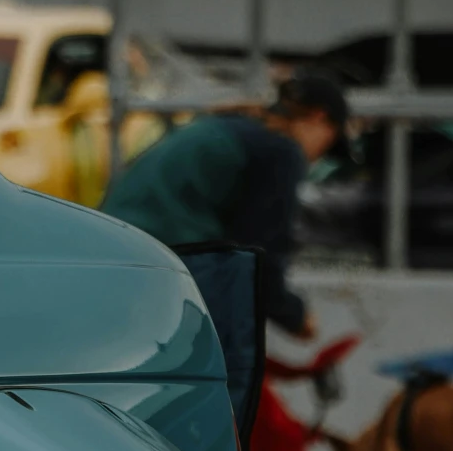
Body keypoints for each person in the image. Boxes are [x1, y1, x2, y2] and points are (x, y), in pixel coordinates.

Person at [100, 66, 349, 339]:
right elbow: (257, 255)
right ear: (318, 118)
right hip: (163, 265)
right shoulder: (280, 149)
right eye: (330, 143)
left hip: (116, 252)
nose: (318, 158)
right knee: (229, 357)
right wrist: (294, 315)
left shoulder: (228, 127)